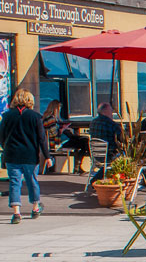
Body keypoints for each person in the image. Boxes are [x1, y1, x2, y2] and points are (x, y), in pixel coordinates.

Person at [0, 89, 50, 224]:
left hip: (12, 155)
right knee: (32, 181)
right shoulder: (35, 117)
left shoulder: (7, 116)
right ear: (30, 100)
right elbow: (42, 139)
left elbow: (2, 136)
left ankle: (16, 213)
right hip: (30, 155)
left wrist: (6, 147)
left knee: (14, 183)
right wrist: (47, 156)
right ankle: (35, 208)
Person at [42, 100, 89, 174]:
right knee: (84, 141)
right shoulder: (51, 119)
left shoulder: (49, 118)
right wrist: (63, 129)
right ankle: (80, 166)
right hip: (57, 143)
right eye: (59, 108)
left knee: (83, 141)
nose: (60, 110)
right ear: (55, 109)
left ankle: (78, 166)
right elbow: (54, 134)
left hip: (59, 141)